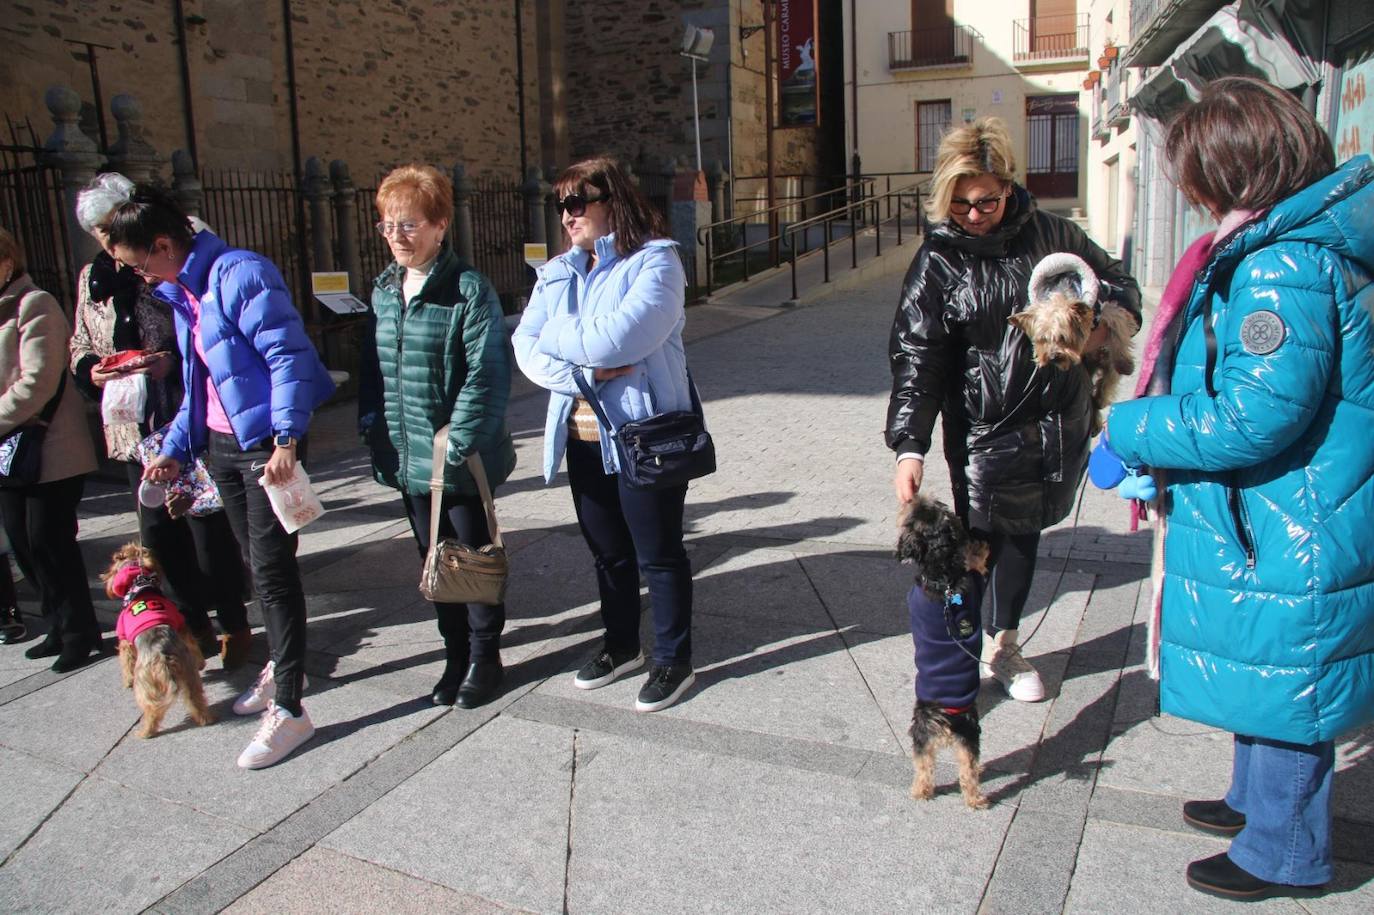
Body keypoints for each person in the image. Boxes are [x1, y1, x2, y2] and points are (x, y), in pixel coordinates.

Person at [1101, 76, 1374, 902]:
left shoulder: (1284, 263)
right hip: (1283, 508)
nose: (1191, 193)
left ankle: (1283, 853)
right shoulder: (1291, 245)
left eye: (1198, 175)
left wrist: (1132, 426)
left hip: (1296, 515)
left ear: (1237, 169)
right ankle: (1255, 805)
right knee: (1267, 667)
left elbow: (1255, 414)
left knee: (1291, 682)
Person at [885, 117, 1141, 702]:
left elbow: (1120, 284)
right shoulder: (938, 261)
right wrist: (910, 444)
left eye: (987, 201)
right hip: (980, 428)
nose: (974, 214)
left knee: (1024, 537)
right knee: (975, 542)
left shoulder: (1053, 235)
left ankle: (1005, 645)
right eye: (961, 202)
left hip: (1055, 421)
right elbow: (917, 355)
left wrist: (1100, 324)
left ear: (1009, 186)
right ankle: (961, 647)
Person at [105, 186, 336, 770]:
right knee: (256, 567)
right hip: (223, 448)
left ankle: (290, 708)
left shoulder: (238, 273)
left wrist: (285, 438)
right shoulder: (185, 291)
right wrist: (177, 449)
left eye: (136, 263)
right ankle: (283, 666)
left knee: (275, 571)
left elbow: (287, 356)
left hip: (263, 446)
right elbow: (201, 386)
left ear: (162, 245)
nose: (134, 276)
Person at [513, 155, 698, 713]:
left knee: (658, 554)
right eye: (560, 205)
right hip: (581, 436)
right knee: (608, 554)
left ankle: (673, 660)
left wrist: (562, 336)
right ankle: (621, 646)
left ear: (612, 199)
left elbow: (623, 338)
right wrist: (583, 369)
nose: (567, 215)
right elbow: (525, 347)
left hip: (644, 436)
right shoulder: (558, 271)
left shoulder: (656, 264)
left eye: (577, 202)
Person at [71, 173, 251, 667]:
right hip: (133, 421)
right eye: (100, 236)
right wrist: (96, 370)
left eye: (111, 230)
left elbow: (202, 324)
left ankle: (234, 621)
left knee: (206, 527)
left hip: (184, 413)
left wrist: (169, 360)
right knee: (158, 534)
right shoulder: (95, 276)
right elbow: (82, 340)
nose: (108, 244)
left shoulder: (167, 256)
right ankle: (191, 625)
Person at [358, 165, 515, 709]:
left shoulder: (468, 289)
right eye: (388, 225)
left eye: (410, 224)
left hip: (458, 460)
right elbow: (373, 372)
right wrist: (375, 433)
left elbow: (488, 374)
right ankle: (453, 655)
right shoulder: (384, 291)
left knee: (469, 561)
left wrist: (455, 446)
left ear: (440, 225)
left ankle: (485, 657)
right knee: (432, 560)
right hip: (407, 457)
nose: (398, 236)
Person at [0, 228, 102, 671]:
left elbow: (37, 380)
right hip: (9, 449)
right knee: (21, 542)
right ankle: (58, 624)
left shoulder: (34, 304)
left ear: (7, 261)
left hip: (51, 448)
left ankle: (81, 631)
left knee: (50, 540)